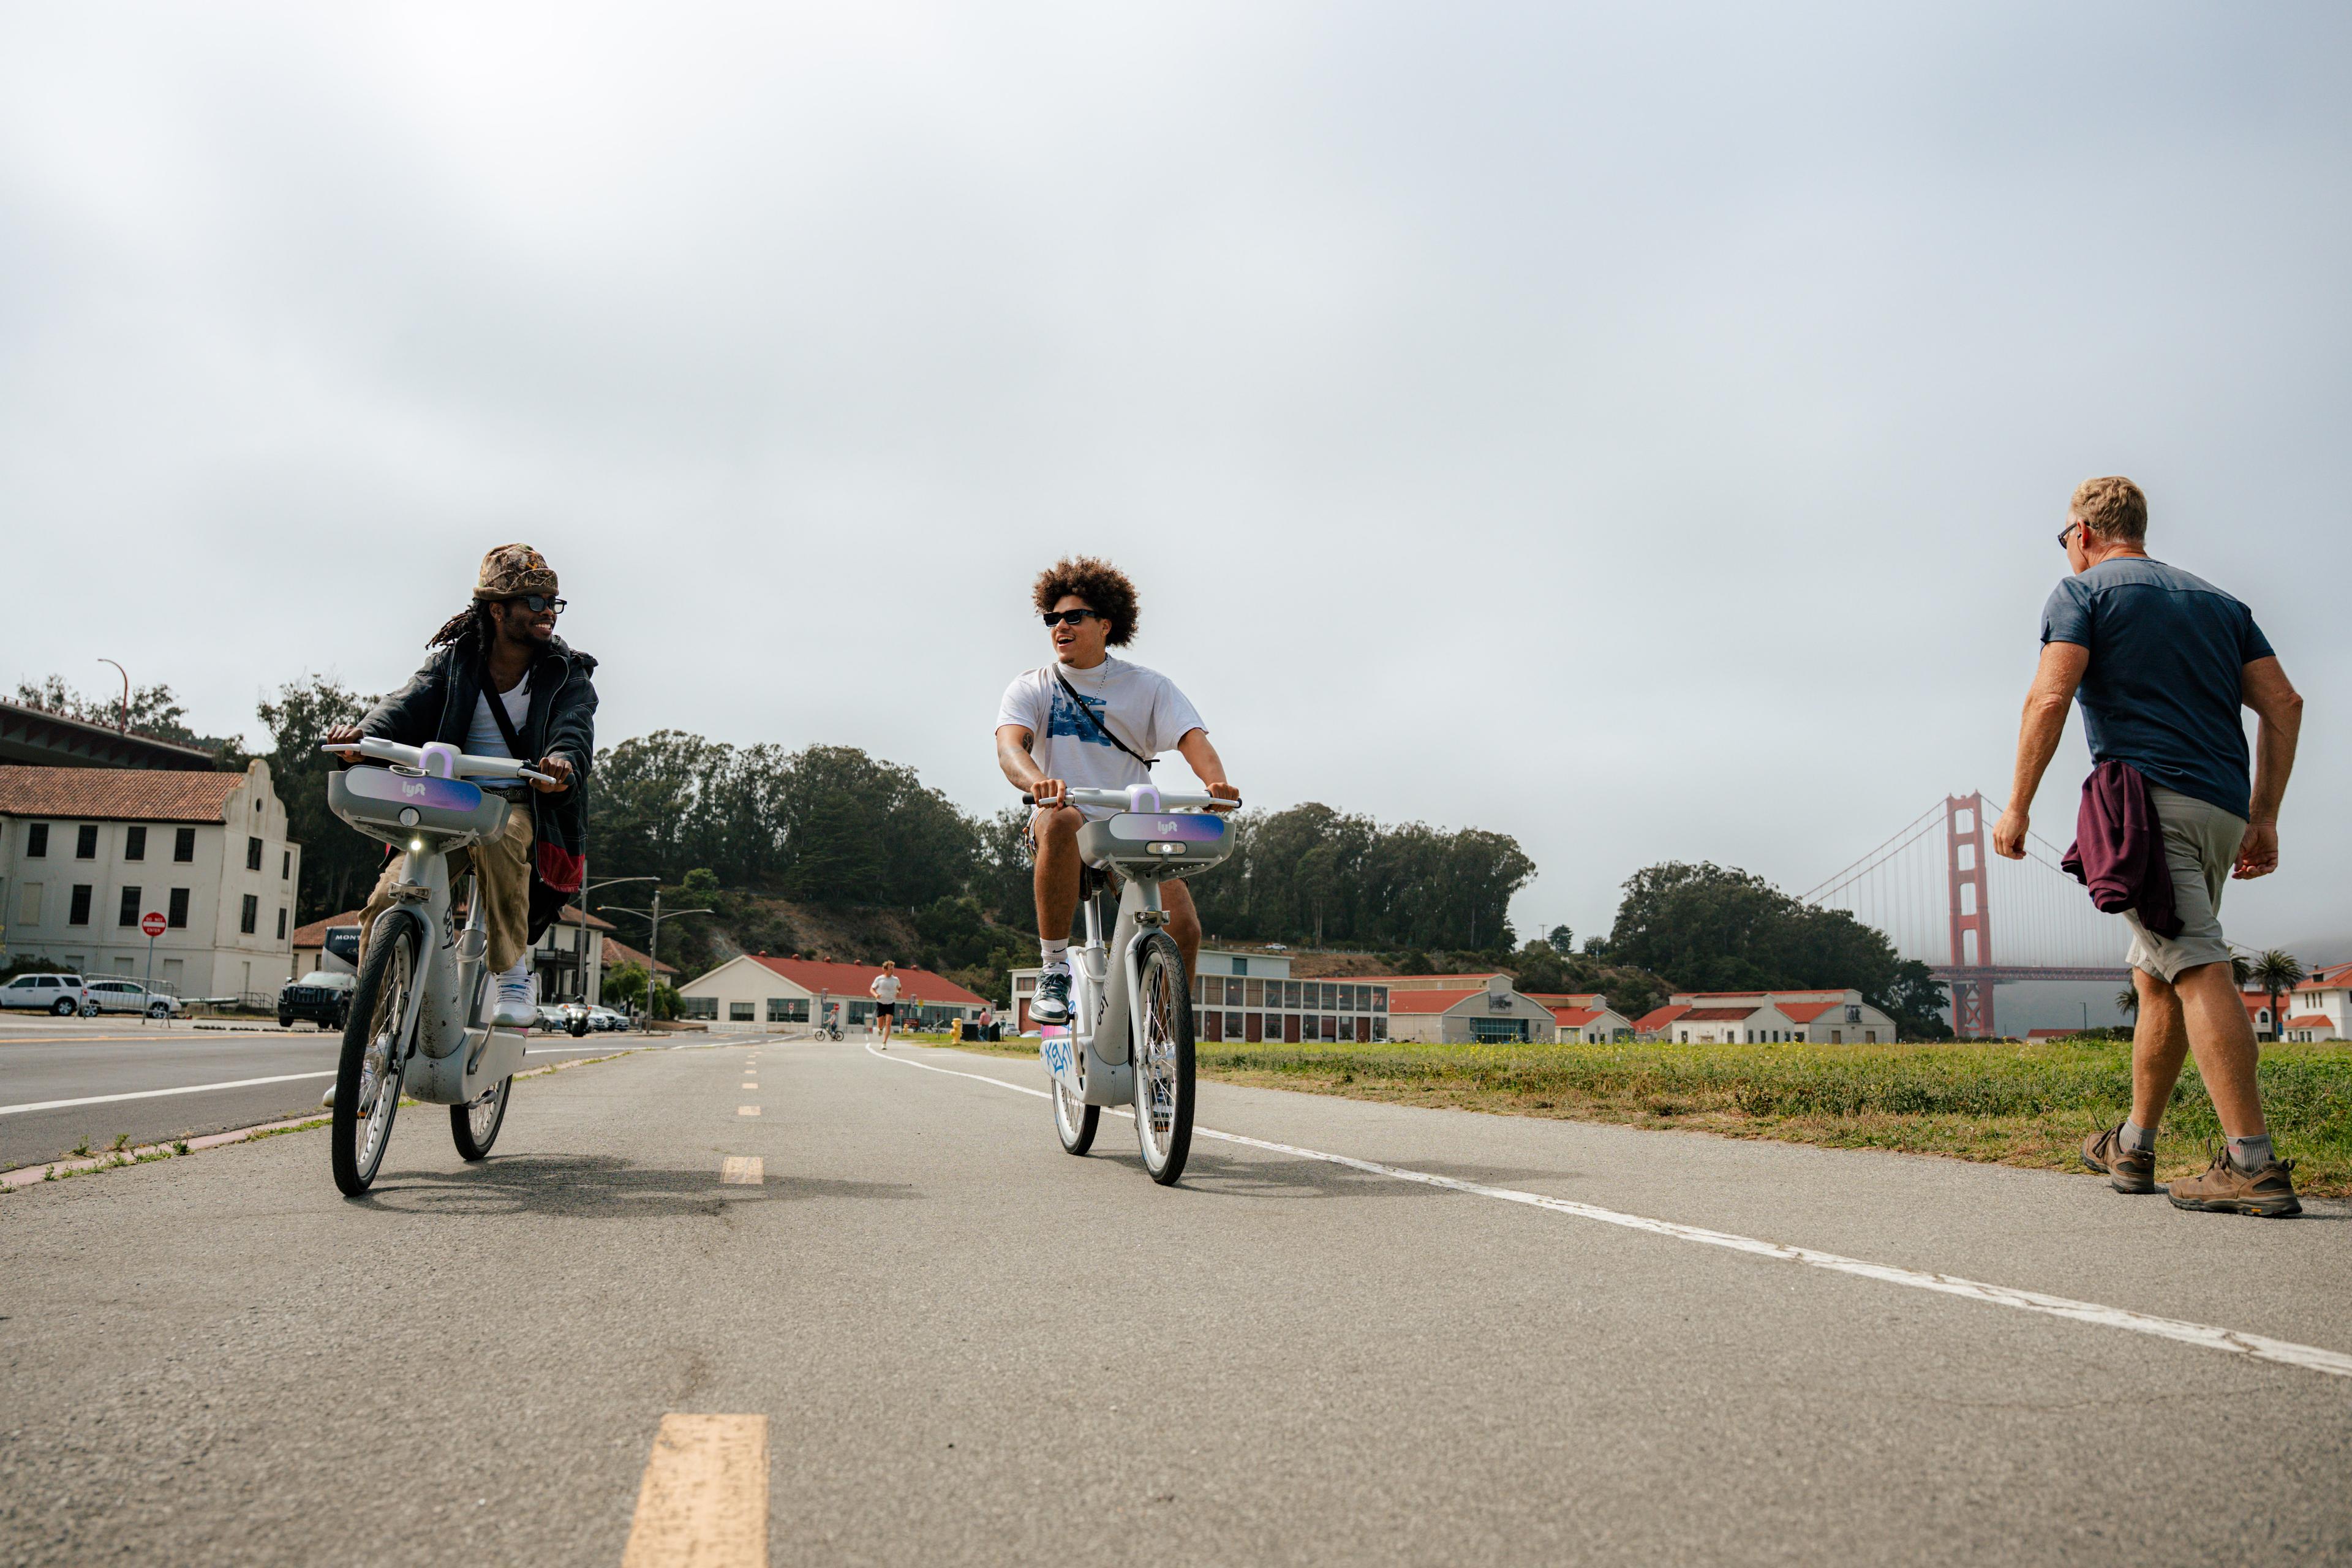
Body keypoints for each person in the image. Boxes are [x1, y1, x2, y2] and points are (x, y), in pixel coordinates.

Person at [1993, 477, 2303, 1217]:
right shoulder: (2222, 604)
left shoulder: (2084, 593)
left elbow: (2049, 695)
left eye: (2065, 540)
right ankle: (2134, 1146)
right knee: (2159, 975)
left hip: (2149, 808)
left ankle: (2251, 1165)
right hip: (2222, 812)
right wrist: (2265, 815)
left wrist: (2017, 807)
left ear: (2082, 534)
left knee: (2196, 964)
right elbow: (2285, 703)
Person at [330, 544, 599, 1034]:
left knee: (498, 836)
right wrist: (361, 739)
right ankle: (365, 1058)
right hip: (446, 799)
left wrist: (562, 761)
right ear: (498, 610)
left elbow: (574, 730)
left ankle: (513, 972)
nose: (548, 614)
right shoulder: (453, 663)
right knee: (386, 901)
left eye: (552, 602)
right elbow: (402, 705)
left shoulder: (567, 673)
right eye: (535, 602)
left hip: (518, 800)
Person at [993, 556, 1238, 1027]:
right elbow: (1010, 748)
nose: (1060, 626)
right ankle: (1054, 969)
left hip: (1132, 822)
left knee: (1184, 927)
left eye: (1073, 617)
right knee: (1062, 819)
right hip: (1066, 817)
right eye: (1053, 618)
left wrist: (1216, 785)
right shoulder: (1032, 687)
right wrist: (1035, 782)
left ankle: (1164, 1040)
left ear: (1106, 624)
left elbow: (1193, 741)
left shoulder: (1148, 687)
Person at [870, 961, 902, 1048]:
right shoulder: (879, 979)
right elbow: (872, 989)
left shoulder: (896, 979)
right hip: (881, 1003)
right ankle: (880, 1028)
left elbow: (900, 988)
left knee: (888, 1023)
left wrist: (899, 992)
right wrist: (876, 995)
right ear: (885, 970)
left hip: (891, 1002)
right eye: (890, 969)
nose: (892, 970)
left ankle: (884, 1043)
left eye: (893, 968)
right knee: (880, 1025)